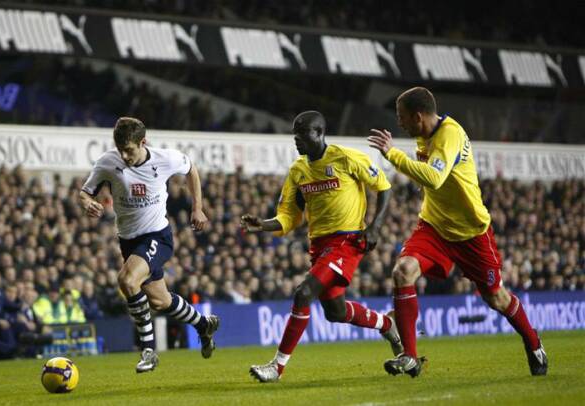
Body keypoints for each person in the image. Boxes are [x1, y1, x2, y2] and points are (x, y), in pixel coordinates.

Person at [367, 87, 547, 377]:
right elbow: (433, 182)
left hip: (471, 233)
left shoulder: (449, 135)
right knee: (403, 271)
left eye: (402, 118)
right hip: (435, 227)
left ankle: (533, 342)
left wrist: (393, 155)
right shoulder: (423, 137)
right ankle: (410, 357)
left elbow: (435, 179)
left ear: (418, 116)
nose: (399, 123)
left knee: (495, 298)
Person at [242, 110, 402, 383]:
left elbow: (383, 186)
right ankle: (387, 324)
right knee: (335, 312)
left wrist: (375, 226)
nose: (296, 140)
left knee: (304, 293)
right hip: (319, 246)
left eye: (302, 134)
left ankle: (276, 367)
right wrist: (263, 225)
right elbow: (289, 217)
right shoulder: (298, 171)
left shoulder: (346, 158)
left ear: (319, 133)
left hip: (348, 241)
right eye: (294, 135)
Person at [79, 117, 219, 373]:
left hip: (157, 236)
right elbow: (85, 191)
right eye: (120, 148)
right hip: (128, 241)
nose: (124, 154)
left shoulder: (165, 159)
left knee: (128, 280)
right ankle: (203, 324)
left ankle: (148, 350)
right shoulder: (108, 162)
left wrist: (197, 207)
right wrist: (87, 202)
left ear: (143, 142)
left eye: (129, 149)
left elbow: (191, 170)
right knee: (160, 301)